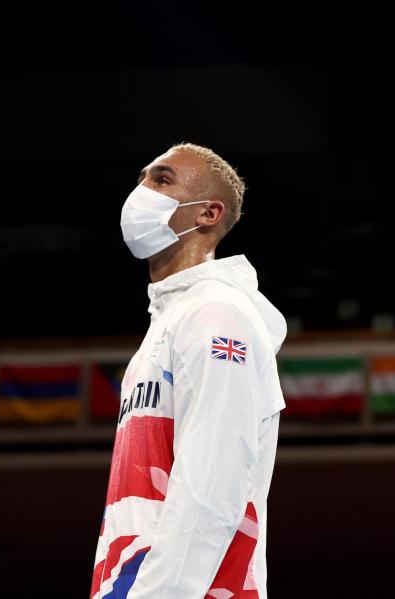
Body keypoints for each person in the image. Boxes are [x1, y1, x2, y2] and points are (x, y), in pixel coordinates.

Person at [90, 143, 288, 598]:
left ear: (208, 213)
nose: (141, 191)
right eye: (141, 179)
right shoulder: (170, 322)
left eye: (161, 180)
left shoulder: (216, 315)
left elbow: (211, 484)